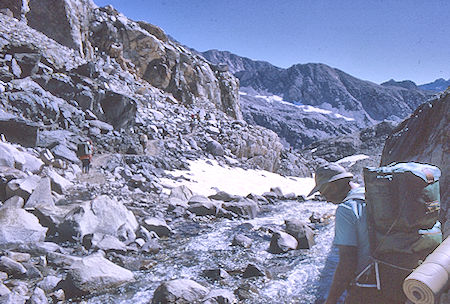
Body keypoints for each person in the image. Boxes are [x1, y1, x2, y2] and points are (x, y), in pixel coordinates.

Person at [308, 163, 398, 304]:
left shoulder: (346, 209)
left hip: (369, 287)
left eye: (323, 191)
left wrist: (330, 300)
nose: (325, 197)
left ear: (334, 185)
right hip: (397, 278)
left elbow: (347, 262)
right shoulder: (371, 195)